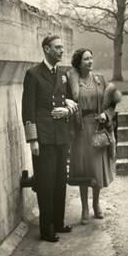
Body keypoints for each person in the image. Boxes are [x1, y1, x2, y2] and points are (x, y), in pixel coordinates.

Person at [21, 35, 78, 242]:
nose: (62, 51)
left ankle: (58, 222)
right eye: (57, 48)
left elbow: (71, 100)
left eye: (62, 47)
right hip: (43, 138)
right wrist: (33, 140)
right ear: (46, 49)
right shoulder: (33, 74)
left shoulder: (63, 74)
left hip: (61, 135)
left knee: (60, 180)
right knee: (46, 183)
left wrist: (67, 110)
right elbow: (28, 110)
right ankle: (46, 230)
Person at [67, 48, 121, 224]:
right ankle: (84, 207)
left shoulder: (100, 80)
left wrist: (106, 114)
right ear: (78, 62)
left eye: (91, 58)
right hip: (80, 130)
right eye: (86, 59)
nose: (90, 62)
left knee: (96, 169)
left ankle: (96, 204)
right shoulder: (72, 82)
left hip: (98, 128)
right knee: (84, 169)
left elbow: (112, 103)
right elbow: (66, 103)